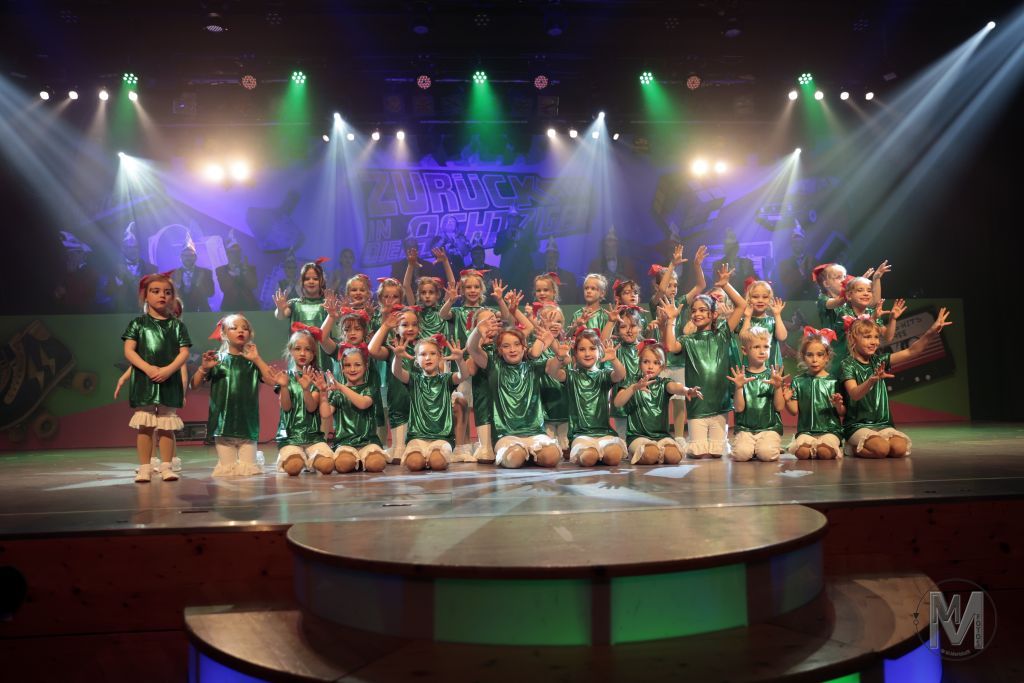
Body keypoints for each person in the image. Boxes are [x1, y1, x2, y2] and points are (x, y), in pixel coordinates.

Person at [839, 310, 951, 458]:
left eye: (876, 337)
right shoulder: (847, 364)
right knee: (881, 450)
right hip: (858, 425)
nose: (874, 342)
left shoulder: (879, 361)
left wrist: (931, 332)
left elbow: (912, 351)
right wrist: (871, 380)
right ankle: (850, 448)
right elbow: (854, 394)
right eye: (867, 337)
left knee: (899, 449)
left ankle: (874, 442)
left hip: (883, 424)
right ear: (853, 338)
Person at [661, 266, 746, 459]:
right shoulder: (688, 340)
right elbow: (671, 346)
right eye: (694, 311)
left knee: (717, 453)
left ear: (714, 314)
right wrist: (671, 320)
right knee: (698, 452)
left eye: (702, 310)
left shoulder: (722, 334)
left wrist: (726, 285)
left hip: (719, 405)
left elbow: (741, 305)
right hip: (697, 407)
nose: (697, 314)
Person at [121, 273, 192, 483]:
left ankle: (166, 466)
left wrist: (168, 370)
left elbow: (184, 353)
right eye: (156, 291)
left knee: (166, 425)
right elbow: (129, 351)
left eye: (167, 292)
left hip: (169, 379)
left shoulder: (177, 326)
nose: (162, 295)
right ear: (145, 296)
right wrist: (148, 368)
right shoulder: (138, 324)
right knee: (145, 425)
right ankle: (145, 467)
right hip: (145, 379)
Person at [466, 323, 561, 469]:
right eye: (506, 346)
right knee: (515, 458)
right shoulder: (493, 366)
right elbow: (472, 348)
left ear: (524, 347)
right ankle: (526, 455)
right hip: (506, 435)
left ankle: (530, 453)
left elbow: (556, 365)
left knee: (552, 457)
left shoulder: (533, 366)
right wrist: (477, 330)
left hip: (535, 433)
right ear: (499, 350)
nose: (512, 349)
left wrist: (558, 351)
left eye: (517, 344)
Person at [193, 314, 277, 476]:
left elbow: (273, 381)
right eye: (234, 328)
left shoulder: (252, 362)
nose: (240, 331)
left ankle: (255, 459)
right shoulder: (217, 361)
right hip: (223, 426)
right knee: (228, 472)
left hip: (247, 426)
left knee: (248, 472)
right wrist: (203, 369)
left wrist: (257, 359)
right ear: (223, 334)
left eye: (245, 328)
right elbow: (194, 385)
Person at [544, 329, 627, 467]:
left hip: (604, 433)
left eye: (592, 348)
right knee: (589, 457)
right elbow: (552, 371)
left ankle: (601, 453)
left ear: (600, 351)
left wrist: (614, 359)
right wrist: (559, 357)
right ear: (575, 354)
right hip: (581, 435)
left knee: (614, 457)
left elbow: (620, 375)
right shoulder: (571, 376)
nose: (587, 353)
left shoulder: (604, 375)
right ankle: (590, 454)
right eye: (582, 349)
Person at [439, 268, 496, 461]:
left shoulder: (488, 312)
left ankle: (482, 442)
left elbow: (507, 318)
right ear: (462, 290)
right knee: (462, 402)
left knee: (480, 401)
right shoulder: (456, 311)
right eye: (468, 287)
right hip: (461, 362)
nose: (472, 290)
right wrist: (450, 300)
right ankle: (461, 445)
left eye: (476, 287)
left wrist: (503, 303)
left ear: (482, 289)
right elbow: (442, 314)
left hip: (481, 360)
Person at [613, 340, 700, 465]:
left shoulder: (664, 383)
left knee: (674, 457)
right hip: (637, 437)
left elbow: (675, 386)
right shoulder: (631, 382)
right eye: (646, 362)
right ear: (640, 363)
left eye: (656, 363)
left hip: (662, 436)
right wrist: (633, 388)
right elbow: (617, 402)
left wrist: (687, 390)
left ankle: (657, 453)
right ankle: (647, 453)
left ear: (663, 367)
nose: (650, 366)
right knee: (650, 454)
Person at [391, 335, 470, 472]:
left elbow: (463, 375)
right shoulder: (414, 380)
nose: (428, 358)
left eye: (433, 354)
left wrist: (459, 360)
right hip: (417, 437)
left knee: (437, 462)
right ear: (416, 360)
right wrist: (398, 357)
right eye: (423, 354)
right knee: (414, 464)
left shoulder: (446, 380)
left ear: (440, 357)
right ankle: (423, 457)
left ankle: (434, 456)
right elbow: (396, 372)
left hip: (442, 437)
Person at [272, 324, 334, 477]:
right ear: (290, 351)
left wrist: (306, 389)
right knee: (293, 467)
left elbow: (311, 408)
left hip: (313, 437)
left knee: (327, 466)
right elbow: (286, 407)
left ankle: (309, 458)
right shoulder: (285, 376)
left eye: (307, 349)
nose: (302, 353)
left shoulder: (317, 377)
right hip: (290, 437)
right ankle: (299, 457)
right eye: (297, 349)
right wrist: (284, 386)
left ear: (313, 354)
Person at [778, 328, 846, 460]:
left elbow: (842, 412)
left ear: (827, 357)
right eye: (810, 355)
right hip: (806, 432)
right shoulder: (798, 381)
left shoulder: (834, 381)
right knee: (802, 453)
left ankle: (829, 447)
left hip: (830, 431)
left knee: (824, 453)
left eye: (820, 355)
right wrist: (787, 400)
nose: (815, 359)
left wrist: (838, 405)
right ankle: (813, 447)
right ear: (803, 357)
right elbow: (794, 411)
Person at [322, 344, 388, 473]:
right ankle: (356, 461)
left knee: (377, 464)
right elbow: (325, 413)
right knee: (344, 465)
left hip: (368, 442)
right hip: (345, 443)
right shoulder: (337, 392)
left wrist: (341, 387)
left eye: (357, 365)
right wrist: (323, 393)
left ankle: (362, 460)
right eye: (347, 365)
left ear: (365, 366)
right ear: (342, 368)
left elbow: (362, 403)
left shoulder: (370, 389)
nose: (352, 369)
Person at [367, 306, 421, 462]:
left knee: (416, 452)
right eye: (404, 325)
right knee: (399, 454)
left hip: (420, 406)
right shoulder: (392, 350)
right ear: (396, 328)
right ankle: (397, 446)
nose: (410, 328)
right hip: (398, 405)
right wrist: (385, 326)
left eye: (414, 324)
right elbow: (372, 350)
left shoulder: (423, 348)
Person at [727, 327, 784, 462]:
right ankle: (752, 447)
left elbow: (779, 407)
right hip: (745, 429)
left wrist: (778, 388)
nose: (762, 351)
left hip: (769, 428)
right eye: (756, 347)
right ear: (744, 350)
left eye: (766, 346)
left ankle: (766, 445)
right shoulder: (741, 377)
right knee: (741, 455)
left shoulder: (773, 376)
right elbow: (739, 408)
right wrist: (739, 387)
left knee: (766, 454)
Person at [273, 259, 332, 371]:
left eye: (315, 279)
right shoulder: (295, 304)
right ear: (301, 281)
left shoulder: (326, 305)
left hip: (322, 355)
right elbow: (281, 315)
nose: (311, 281)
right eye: (307, 279)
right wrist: (280, 309)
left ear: (322, 281)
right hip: (299, 357)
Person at [403, 248, 456, 338]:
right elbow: (406, 286)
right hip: (422, 346)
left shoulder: (443, 308)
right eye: (423, 293)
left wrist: (445, 261)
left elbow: (451, 283)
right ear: (419, 295)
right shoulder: (417, 311)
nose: (427, 296)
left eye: (431, 292)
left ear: (437, 295)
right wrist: (410, 265)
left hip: (441, 347)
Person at [737, 279, 788, 368]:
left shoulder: (772, 321)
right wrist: (748, 317)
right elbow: (743, 338)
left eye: (765, 297)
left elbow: (782, 337)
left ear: (770, 300)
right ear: (749, 300)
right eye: (755, 297)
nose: (760, 300)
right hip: (751, 368)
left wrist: (777, 315)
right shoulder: (745, 321)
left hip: (772, 367)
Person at [109, 222, 157, 313]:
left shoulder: (151, 269)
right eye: (129, 248)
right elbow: (108, 294)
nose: (133, 250)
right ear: (123, 249)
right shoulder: (113, 269)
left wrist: (130, 278)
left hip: (145, 314)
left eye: (135, 247)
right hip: (120, 314)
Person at [493, 210, 539, 295]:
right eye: (511, 217)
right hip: (507, 273)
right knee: (507, 297)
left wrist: (522, 240)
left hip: (523, 273)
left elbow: (534, 248)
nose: (514, 220)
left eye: (516, 217)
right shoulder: (502, 234)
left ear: (519, 219)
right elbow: (496, 251)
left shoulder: (525, 233)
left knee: (524, 297)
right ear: (508, 219)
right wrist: (508, 239)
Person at [54, 231, 100, 313]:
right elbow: (58, 295)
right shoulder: (64, 269)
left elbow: (86, 296)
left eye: (73, 254)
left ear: (83, 255)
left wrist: (71, 273)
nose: (69, 257)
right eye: (68, 254)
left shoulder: (91, 272)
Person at [216, 232, 259, 311]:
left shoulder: (249, 268)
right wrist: (232, 271)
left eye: (237, 252)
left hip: (249, 306)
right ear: (227, 254)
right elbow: (224, 288)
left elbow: (253, 285)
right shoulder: (221, 269)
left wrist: (246, 270)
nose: (235, 255)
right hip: (230, 307)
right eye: (232, 252)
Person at [773, 226, 817, 300]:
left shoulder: (813, 261)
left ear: (804, 243)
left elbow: (816, 282)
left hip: (811, 299)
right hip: (793, 300)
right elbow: (785, 283)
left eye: (800, 242)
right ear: (791, 244)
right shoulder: (784, 264)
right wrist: (800, 271)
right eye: (795, 242)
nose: (797, 245)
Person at [173, 237, 214, 312]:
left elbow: (211, 293)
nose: (188, 258)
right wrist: (177, 285)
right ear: (181, 257)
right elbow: (170, 296)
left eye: (191, 255)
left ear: (195, 257)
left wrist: (199, 285)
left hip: (202, 312)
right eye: (185, 255)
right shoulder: (173, 274)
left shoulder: (206, 272)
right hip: (181, 312)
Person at [537, 239, 580, 304]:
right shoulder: (535, 276)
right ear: (545, 257)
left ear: (557, 257)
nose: (550, 259)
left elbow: (573, 300)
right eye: (548, 256)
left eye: (553, 256)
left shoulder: (569, 277)